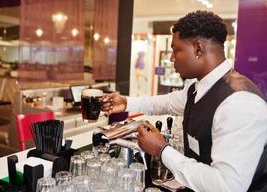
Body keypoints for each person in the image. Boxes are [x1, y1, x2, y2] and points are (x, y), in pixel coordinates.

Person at [101, 11, 267, 192]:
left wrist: (162, 150)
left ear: (198, 49)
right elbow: (167, 102)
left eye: (176, 49)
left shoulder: (240, 103)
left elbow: (227, 186)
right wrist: (125, 102)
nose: (171, 58)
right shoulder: (199, 88)